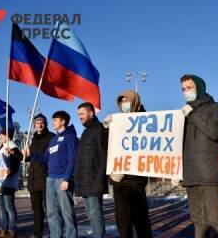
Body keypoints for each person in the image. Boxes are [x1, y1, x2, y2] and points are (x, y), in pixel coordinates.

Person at [179, 74, 218, 238]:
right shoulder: (184, 113)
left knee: (216, 221)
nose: (186, 92)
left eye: (189, 88)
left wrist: (192, 115)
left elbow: (214, 133)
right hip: (191, 175)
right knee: (198, 221)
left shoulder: (214, 107)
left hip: (207, 175)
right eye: (183, 89)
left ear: (199, 88)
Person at [103, 90, 152, 238]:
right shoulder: (117, 121)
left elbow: (147, 148)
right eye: (122, 101)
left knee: (140, 220)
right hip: (118, 181)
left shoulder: (146, 120)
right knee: (123, 221)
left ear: (135, 101)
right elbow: (107, 146)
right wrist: (106, 129)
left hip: (135, 180)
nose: (124, 104)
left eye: (127, 100)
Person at [32, 111, 78, 238]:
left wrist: (67, 178)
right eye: (52, 120)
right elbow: (45, 157)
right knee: (52, 213)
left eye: (55, 120)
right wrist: (30, 155)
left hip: (63, 179)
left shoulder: (71, 137)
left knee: (67, 213)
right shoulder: (53, 140)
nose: (53, 123)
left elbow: (73, 159)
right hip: (50, 179)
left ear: (63, 121)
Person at [74, 102, 107, 238]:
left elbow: (103, 157)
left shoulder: (100, 129)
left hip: (94, 181)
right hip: (85, 182)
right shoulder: (86, 132)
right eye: (78, 115)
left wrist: (99, 181)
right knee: (91, 214)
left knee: (95, 214)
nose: (79, 117)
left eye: (82, 114)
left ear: (91, 113)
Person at [22, 114, 55, 238]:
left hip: (47, 178)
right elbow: (29, 158)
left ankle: (55, 233)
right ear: (34, 125)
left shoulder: (51, 137)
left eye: (41, 122)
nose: (39, 125)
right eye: (37, 123)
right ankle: (38, 234)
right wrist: (22, 155)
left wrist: (33, 155)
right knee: (36, 210)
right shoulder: (33, 139)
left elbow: (50, 157)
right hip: (33, 180)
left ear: (45, 124)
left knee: (51, 210)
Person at [0, 128, 22, 238]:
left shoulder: (13, 147)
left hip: (8, 182)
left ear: (7, 136)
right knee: (2, 208)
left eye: (2, 135)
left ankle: (12, 229)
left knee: (9, 207)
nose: (0, 137)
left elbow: (16, 163)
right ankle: (3, 229)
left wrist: (9, 171)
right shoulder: (1, 148)